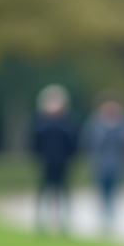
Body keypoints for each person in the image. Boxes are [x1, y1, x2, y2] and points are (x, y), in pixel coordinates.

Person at [79, 94, 124, 232]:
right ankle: (103, 217)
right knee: (101, 191)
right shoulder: (94, 123)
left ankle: (111, 216)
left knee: (114, 191)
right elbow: (87, 141)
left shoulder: (123, 124)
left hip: (117, 163)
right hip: (99, 163)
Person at [30, 84, 77, 233]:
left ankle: (63, 223)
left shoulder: (68, 121)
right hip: (45, 163)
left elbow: (73, 144)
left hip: (63, 163)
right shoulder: (39, 121)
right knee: (44, 193)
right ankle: (41, 223)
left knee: (62, 194)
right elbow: (33, 143)